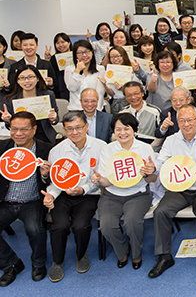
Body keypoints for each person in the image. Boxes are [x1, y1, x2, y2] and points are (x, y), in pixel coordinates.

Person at [149, 104, 196, 279]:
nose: (186, 124)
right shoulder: (171, 140)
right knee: (161, 211)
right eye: (182, 120)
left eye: (190, 120)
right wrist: (153, 167)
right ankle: (164, 256)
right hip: (179, 189)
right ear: (176, 122)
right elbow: (160, 162)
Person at [41, 111, 107, 282]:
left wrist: (83, 189)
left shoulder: (101, 147)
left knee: (80, 225)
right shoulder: (57, 150)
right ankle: (57, 262)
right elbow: (55, 181)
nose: (74, 132)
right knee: (59, 225)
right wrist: (51, 195)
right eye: (69, 129)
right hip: (63, 194)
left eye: (78, 127)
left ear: (86, 127)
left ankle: (81, 254)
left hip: (89, 194)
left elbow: (101, 178)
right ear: (64, 130)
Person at [92, 113, 156, 271]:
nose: (122, 133)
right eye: (118, 129)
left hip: (138, 194)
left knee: (132, 222)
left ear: (134, 130)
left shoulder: (145, 148)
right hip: (111, 195)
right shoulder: (108, 149)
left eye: (126, 129)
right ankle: (122, 252)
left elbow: (152, 179)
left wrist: (149, 172)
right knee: (106, 225)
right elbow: (107, 181)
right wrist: (99, 179)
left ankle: (136, 254)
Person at [0, 112, 51, 286]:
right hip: (6, 201)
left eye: (24, 129)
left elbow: (53, 182)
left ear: (34, 129)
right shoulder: (3, 148)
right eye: (14, 129)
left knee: (35, 229)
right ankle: (11, 264)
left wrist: (45, 175)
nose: (18, 134)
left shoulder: (46, 149)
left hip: (33, 201)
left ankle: (38, 264)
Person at [1, 65, 59, 145]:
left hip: (44, 136)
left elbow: (55, 121)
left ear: (38, 78)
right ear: (17, 81)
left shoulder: (48, 95)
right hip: (21, 136)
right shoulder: (10, 99)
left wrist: (53, 118)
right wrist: (8, 120)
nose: (27, 81)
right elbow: (10, 127)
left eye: (31, 77)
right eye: (22, 78)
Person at [65, 40, 108, 112]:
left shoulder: (100, 69)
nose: (84, 55)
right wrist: (77, 71)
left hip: (96, 109)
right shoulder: (69, 69)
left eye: (87, 51)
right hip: (76, 109)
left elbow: (100, 92)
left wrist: (96, 111)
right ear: (75, 55)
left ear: (92, 52)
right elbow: (72, 88)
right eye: (80, 53)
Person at [44, 33, 71, 100]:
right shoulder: (53, 58)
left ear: (69, 43)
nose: (60, 45)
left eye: (63, 42)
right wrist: (47, 60)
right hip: (60, 91)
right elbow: (50, 75)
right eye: (57, 43)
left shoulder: (76, 55)